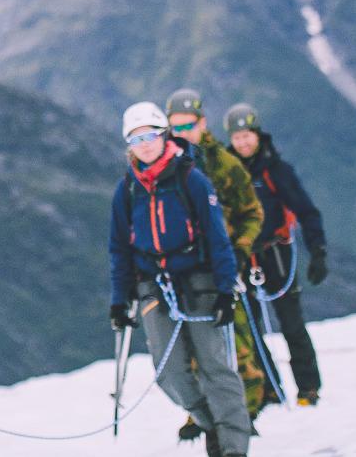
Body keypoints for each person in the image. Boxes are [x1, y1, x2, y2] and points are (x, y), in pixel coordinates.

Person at [111, 101, 252, 457]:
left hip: (199, 280)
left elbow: (217, 236)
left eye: (150, 135)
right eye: (136, 138)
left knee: (214, 366)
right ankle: (211, 423)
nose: (144, 144)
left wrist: (225, 289)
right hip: (153, 285)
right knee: (168, 371)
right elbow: (119, 248)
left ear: (164, 136)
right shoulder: (127, 190)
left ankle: (233, 447)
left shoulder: (191, 179)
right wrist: (119, 299)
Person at [166, 88, 280, 427]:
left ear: (202, 123)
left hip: (223, 267)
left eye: (188, 126)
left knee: (236, 342)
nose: (182, 133)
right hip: (183, 270)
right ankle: (203, 415)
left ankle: (245, 412)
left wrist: (239, 250)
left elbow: (252, 212)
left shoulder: (224, 165)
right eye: (175, 127)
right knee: (192, 347)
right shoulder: (165, 168)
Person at [225, 103, 328, 406]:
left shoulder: (276, 171)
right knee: (251, 326)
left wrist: (318, 250)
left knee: (291, 322)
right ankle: (269, 388)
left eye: (247, 136)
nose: (243, 143)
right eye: (237, 137)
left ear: (257, 134)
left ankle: (308, 387)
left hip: (276, 253)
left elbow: (306, 210)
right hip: (244, 257)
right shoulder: (227, 172)